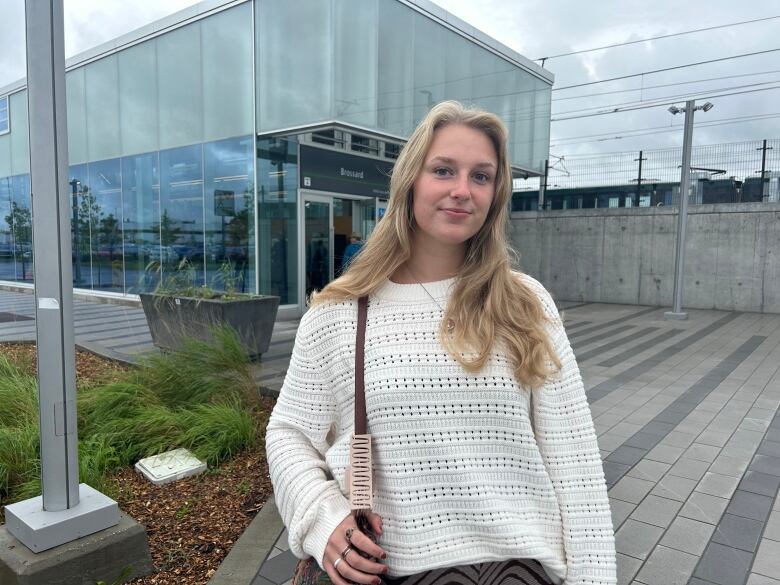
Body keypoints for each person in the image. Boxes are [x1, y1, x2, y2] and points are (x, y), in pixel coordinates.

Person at [266, 101, 616, 585]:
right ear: (410, 180)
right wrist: (321, 518)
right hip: (390, 570)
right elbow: (289, 435)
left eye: (481, 176)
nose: (461, 190)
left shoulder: (524, 303)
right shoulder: (338, 313)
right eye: (443, 170)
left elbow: (574, 462)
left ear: (496, 194)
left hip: (518, 571)